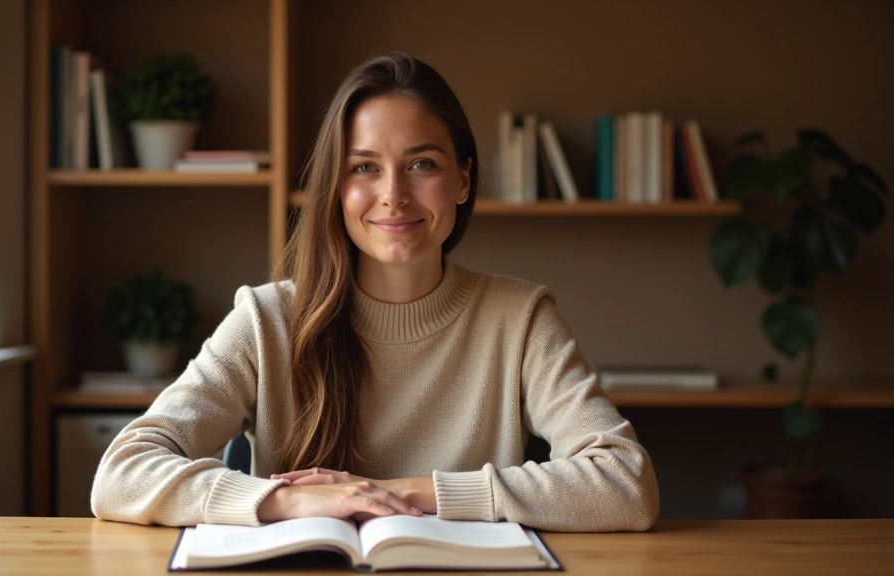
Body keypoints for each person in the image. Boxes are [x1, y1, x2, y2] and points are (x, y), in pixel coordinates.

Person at [91, 52, 659, 531]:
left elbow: (627, 483)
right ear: (336, 187)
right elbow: (121, 473)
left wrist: (399, 494)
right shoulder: (266, 319)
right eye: (364, 167)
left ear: (463, 180)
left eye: (422, 164)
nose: (393, 194)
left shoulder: (520, 319)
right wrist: (289, 500)